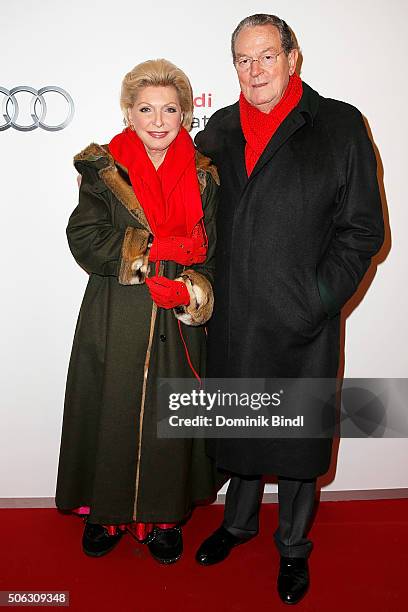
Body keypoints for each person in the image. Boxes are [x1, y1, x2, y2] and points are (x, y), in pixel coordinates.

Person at [194, 13, 384, 604]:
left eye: (267, 56)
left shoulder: (339, 124)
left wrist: (320, 299)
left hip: (303, 319)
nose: (255, 71)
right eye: (243, 60)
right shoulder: (218, 130)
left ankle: (294, 548)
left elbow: (362, 229)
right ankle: (238, 524)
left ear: (293, 58)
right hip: (233, 318)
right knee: (244, 426)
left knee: (298, 442)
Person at [55, 58, 219, 564]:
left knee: (171, 415)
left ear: (186, 115)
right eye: (146, 108)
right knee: (113, 411)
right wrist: (148, 254)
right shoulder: (104, 169)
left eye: (170, 109)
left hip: (175, 318)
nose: (158, 119)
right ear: (129, 112)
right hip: (116, 311)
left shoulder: (205, 174)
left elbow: (212, 249)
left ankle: (164, 519)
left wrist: (191, 288)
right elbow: (83, 236)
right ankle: (106, 516)